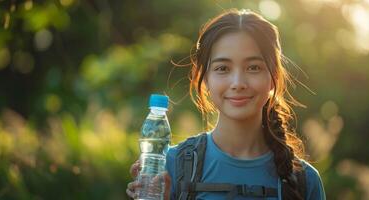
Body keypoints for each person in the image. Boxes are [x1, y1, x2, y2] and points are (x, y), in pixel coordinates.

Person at [127, 8, 326, 200]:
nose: (238, 83)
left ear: (274, 76)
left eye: (253, 67)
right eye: (223, 68)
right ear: (204, 78)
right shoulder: (170, 167)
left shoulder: (305, 181)